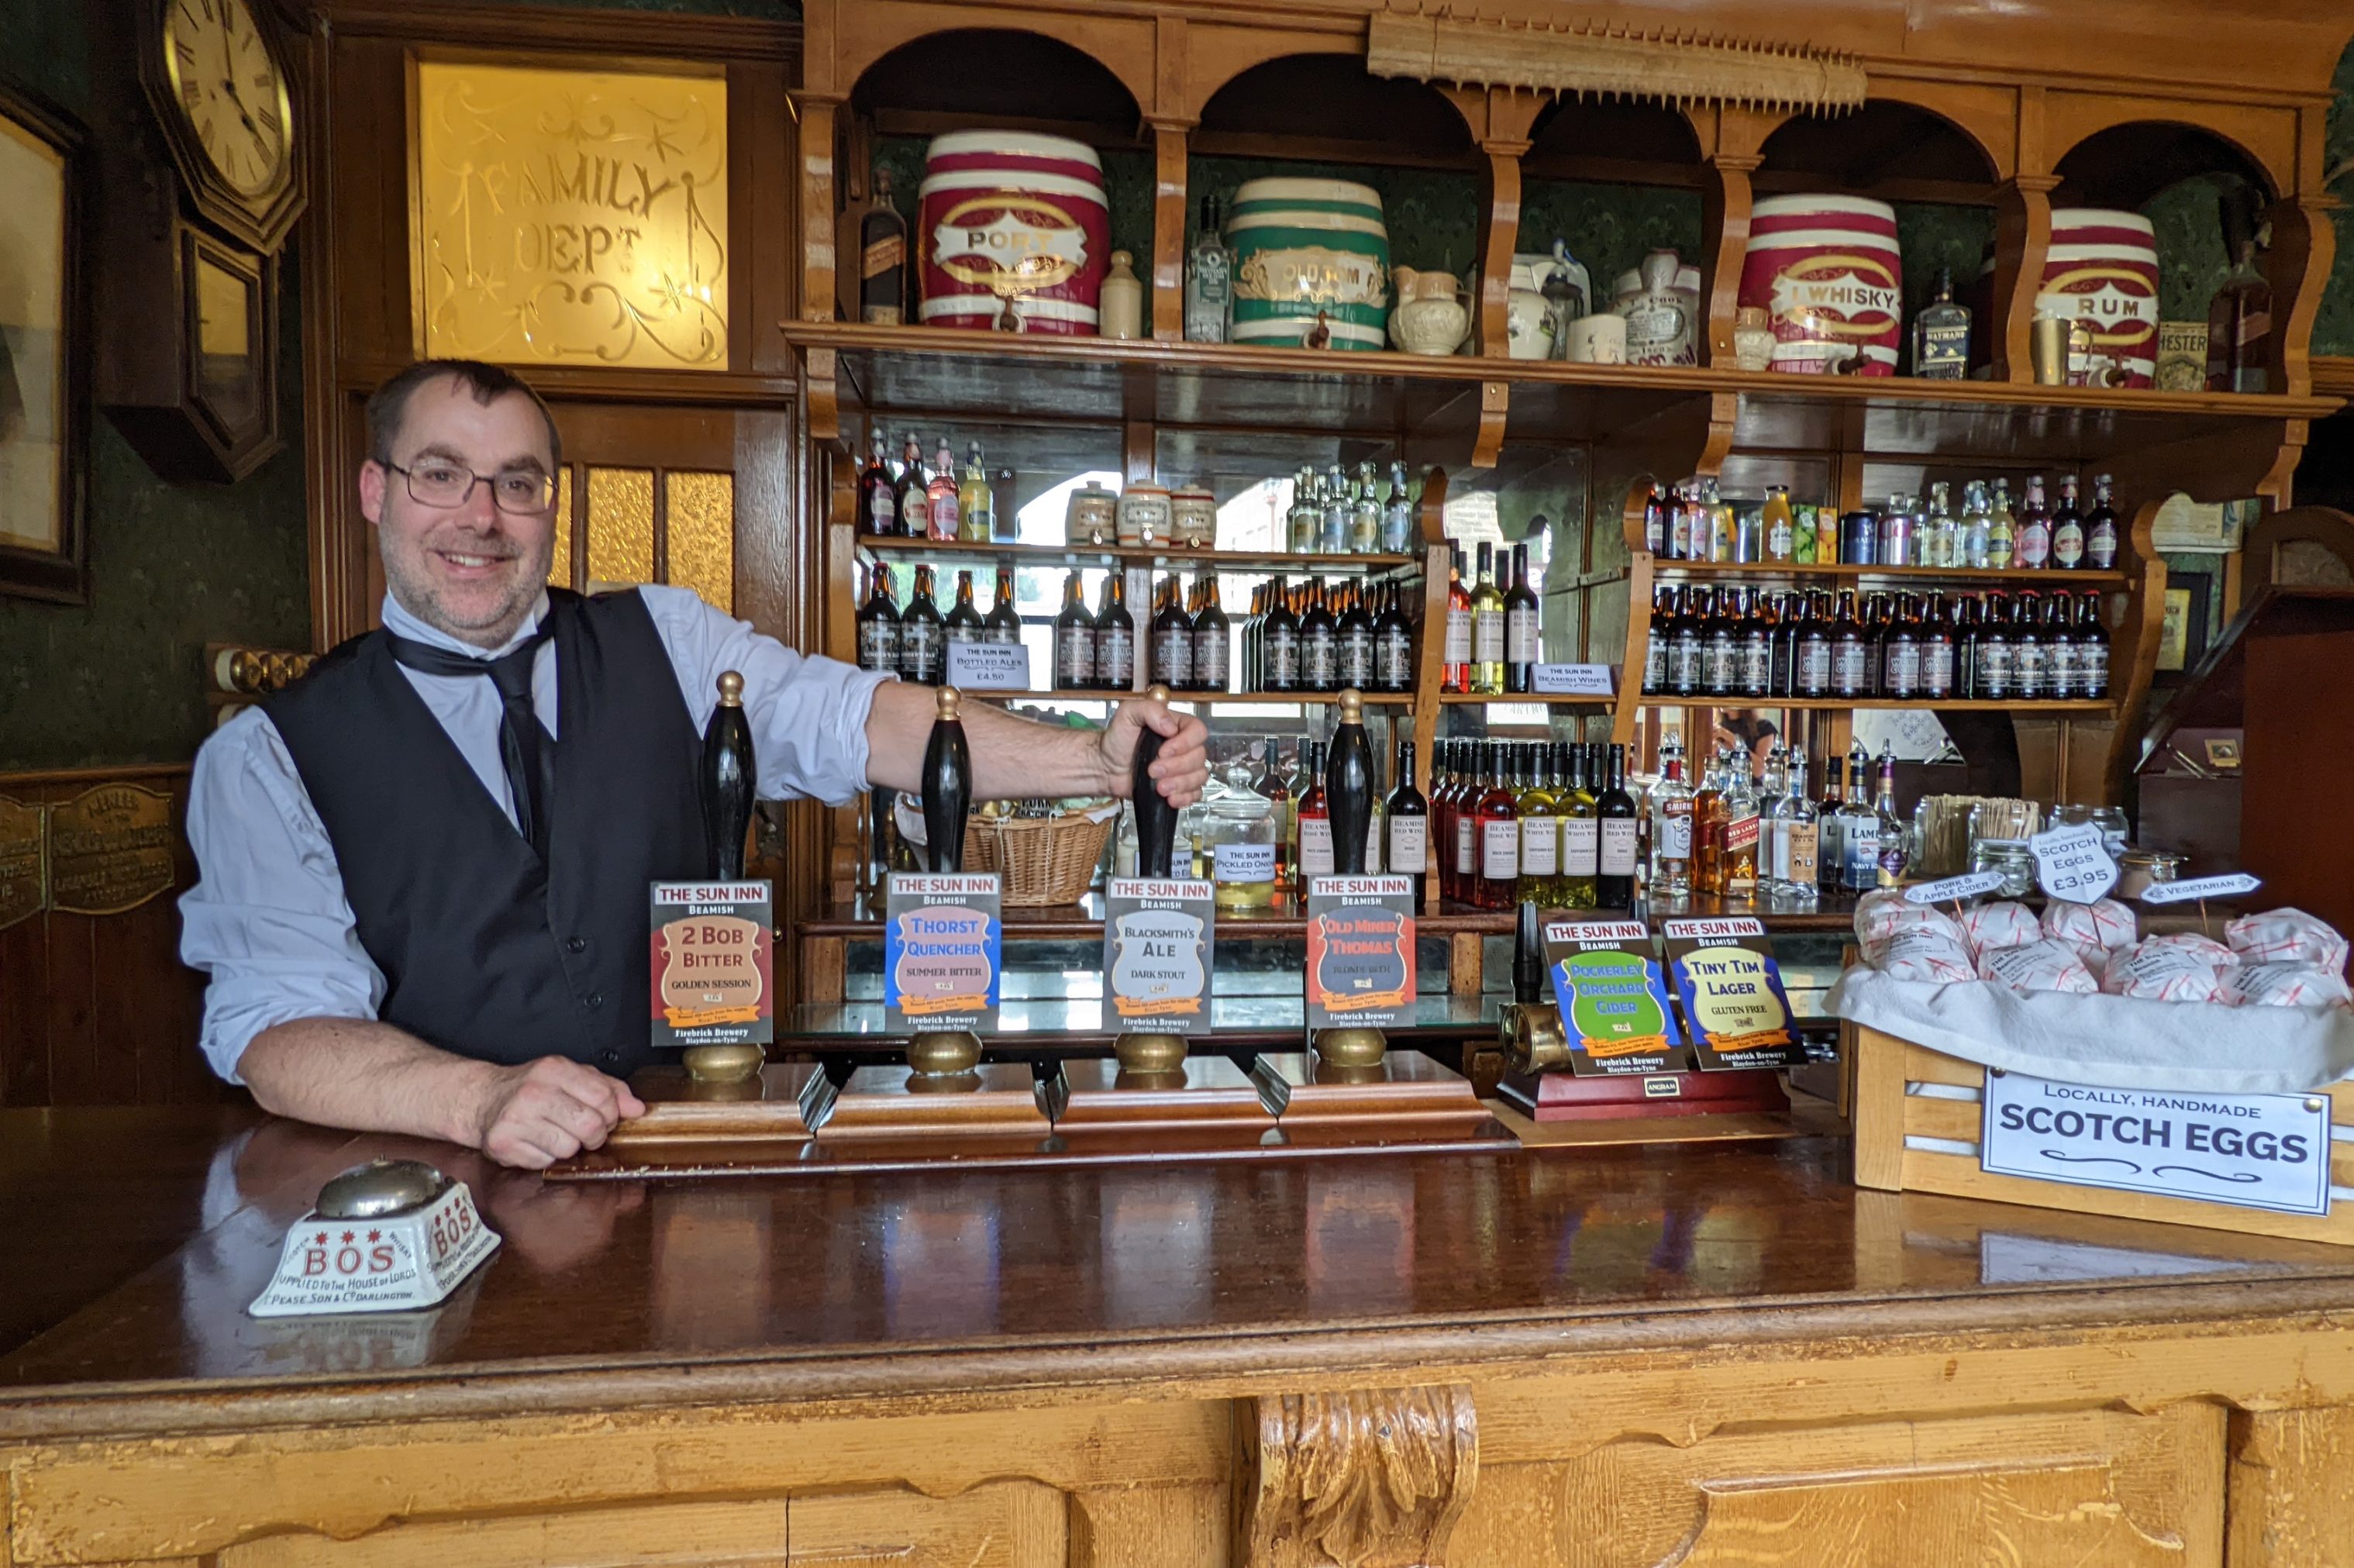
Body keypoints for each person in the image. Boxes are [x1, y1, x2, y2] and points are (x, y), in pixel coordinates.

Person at [181, 360, 1209, 1169]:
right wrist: (477, 1099)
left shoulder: (666, 643)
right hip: (437, 1183)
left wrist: (1096, 759)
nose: (480, 518)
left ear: (553, 501)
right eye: (440, 474)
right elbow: (279, 1032)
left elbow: (864, 722)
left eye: (517, 483)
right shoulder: (269, 756)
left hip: (686, 1158)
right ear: (375, 490)